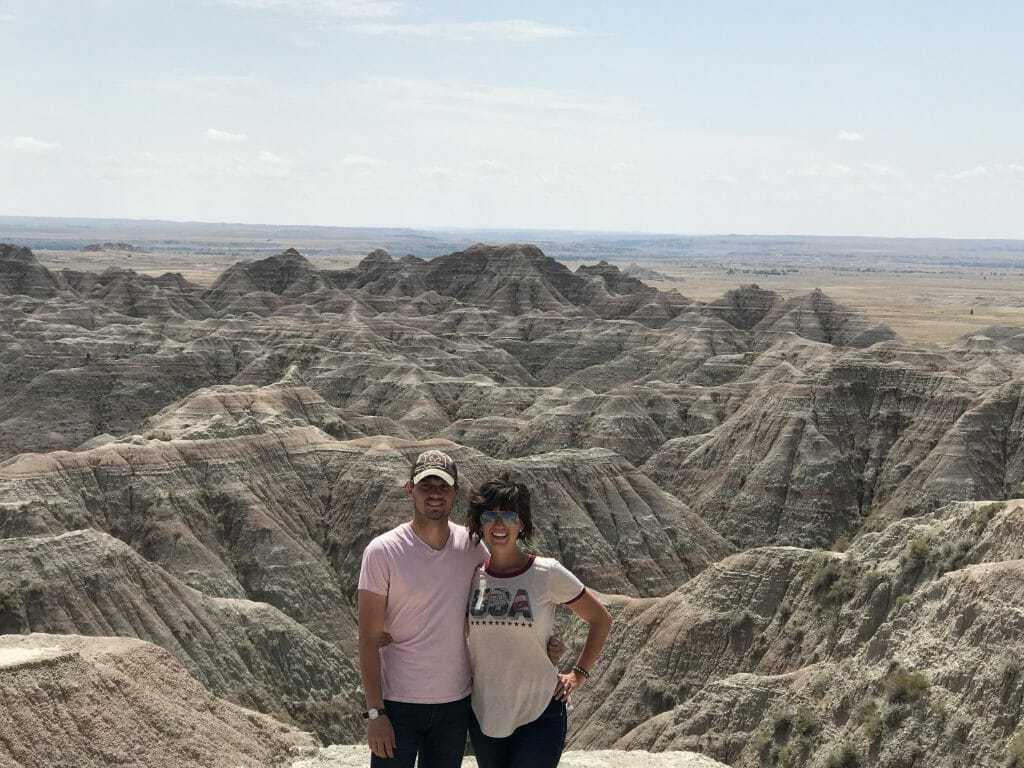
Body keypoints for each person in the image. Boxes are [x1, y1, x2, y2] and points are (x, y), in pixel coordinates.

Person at [357, 450, 563, 768]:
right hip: (398, 704)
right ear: (410, 488)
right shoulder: (382, 551)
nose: (435, 493)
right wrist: (375, 713)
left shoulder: (472, 547)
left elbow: (504, 600)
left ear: (454, 492)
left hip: (455, 705)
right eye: (426, 485)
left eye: (443, 485)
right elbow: (369, 639)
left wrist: (542, 648)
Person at [465, 475, 613, 768]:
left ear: (521, 524)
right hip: (486, 713)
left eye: (508, 515)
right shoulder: (471, 575)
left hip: (540, 713)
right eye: (489, 516)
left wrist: (578, 674)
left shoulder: (546, 573)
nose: (498, 525)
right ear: (479, 523)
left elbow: (600, 620)